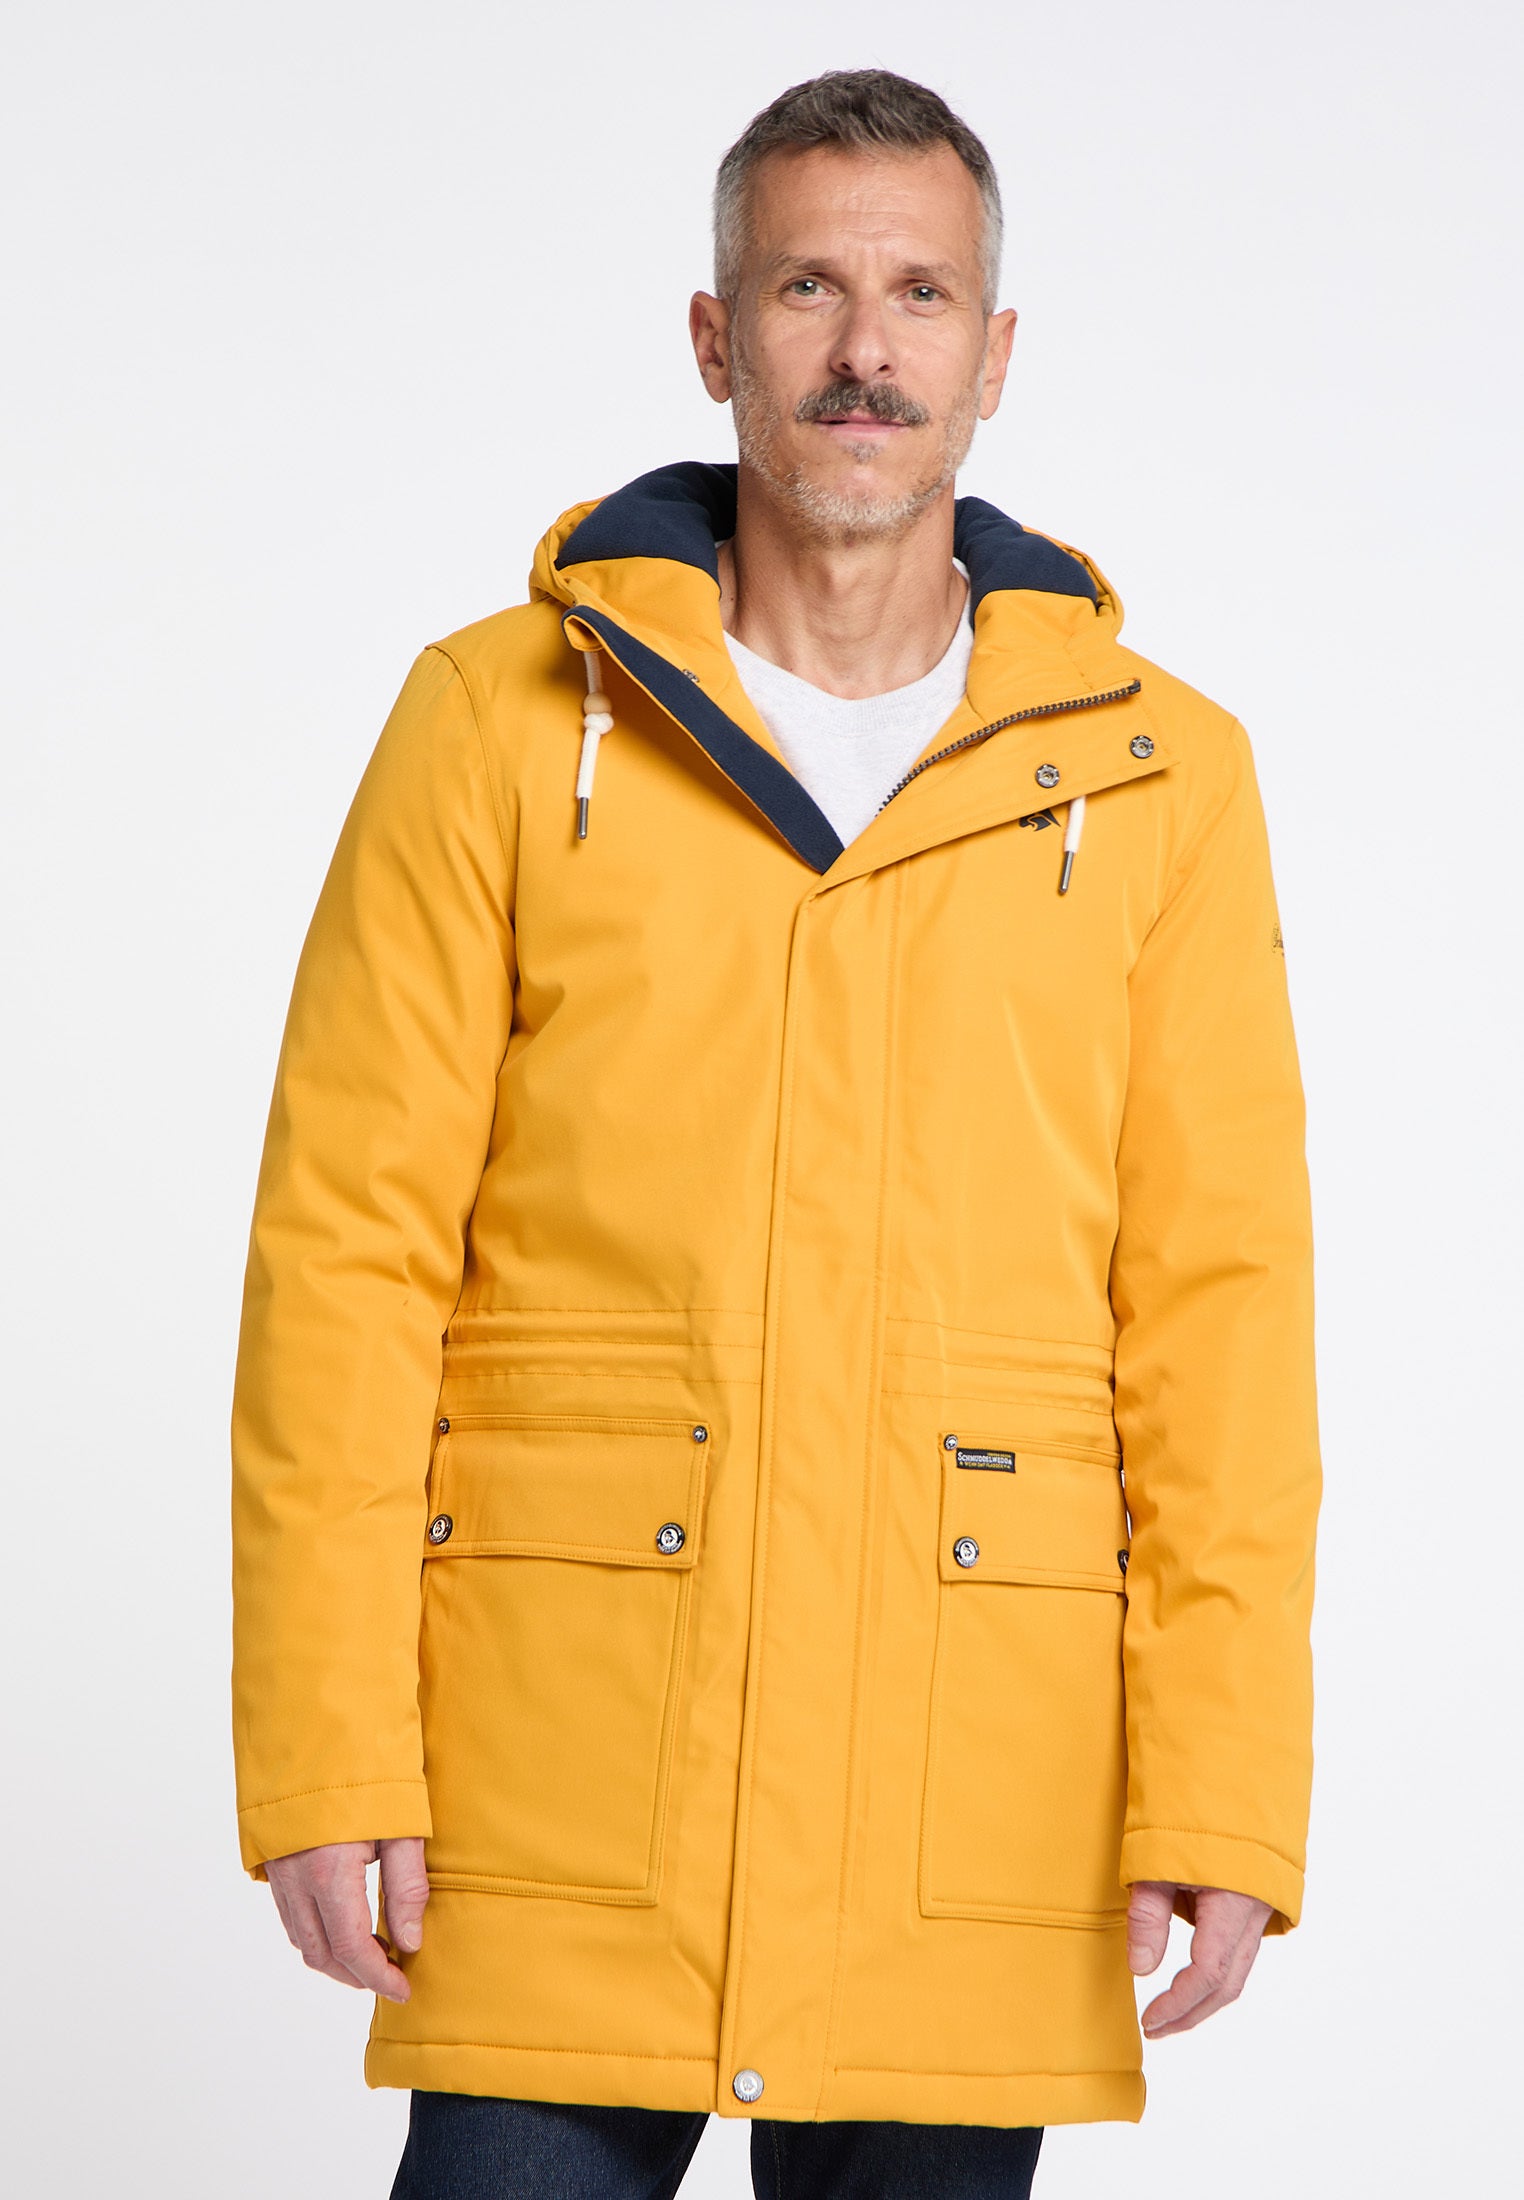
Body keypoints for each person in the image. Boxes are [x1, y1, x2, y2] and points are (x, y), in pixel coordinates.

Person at [230, 68, 1321, 2200]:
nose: (865, 349)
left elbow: (1222, 1309)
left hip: (971, 1781)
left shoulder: (1162, 776)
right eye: (810, 287)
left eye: (922, 294)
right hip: (558, 1772)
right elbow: (345, 1255)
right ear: (717, 336)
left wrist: (1220, 1779)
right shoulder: (497, 718)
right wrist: (328, 1742)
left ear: (995, 355)